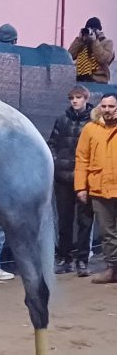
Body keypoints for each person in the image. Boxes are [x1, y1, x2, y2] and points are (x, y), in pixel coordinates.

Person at [47, 85, 94, 276]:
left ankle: (82, 260)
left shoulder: (94, 121)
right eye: (72, 98)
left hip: (86, 180)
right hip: (63, 179)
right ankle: (64, 258)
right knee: (64, 221)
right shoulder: (62, 120)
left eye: (78, 97)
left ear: (86, 99)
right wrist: (57, 163)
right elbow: (52, 144)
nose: (74, 101)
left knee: (85, 221)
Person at [75, 92, 117, 283]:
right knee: (107, 233)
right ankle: (112, 269)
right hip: (99, 189)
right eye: (105, 106)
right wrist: (80, 187)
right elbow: (82, 158)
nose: (107, 110)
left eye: (111, 106)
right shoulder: (90, 129)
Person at [68, 17, 114, 83]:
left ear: (99, 30)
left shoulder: (107, 42)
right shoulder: (82, 43)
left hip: (98, 80)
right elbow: (69, 55)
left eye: (93, 29)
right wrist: (79, 40)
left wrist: (94, 41)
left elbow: (103, 59)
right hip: (81, 80)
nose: (91, 31)